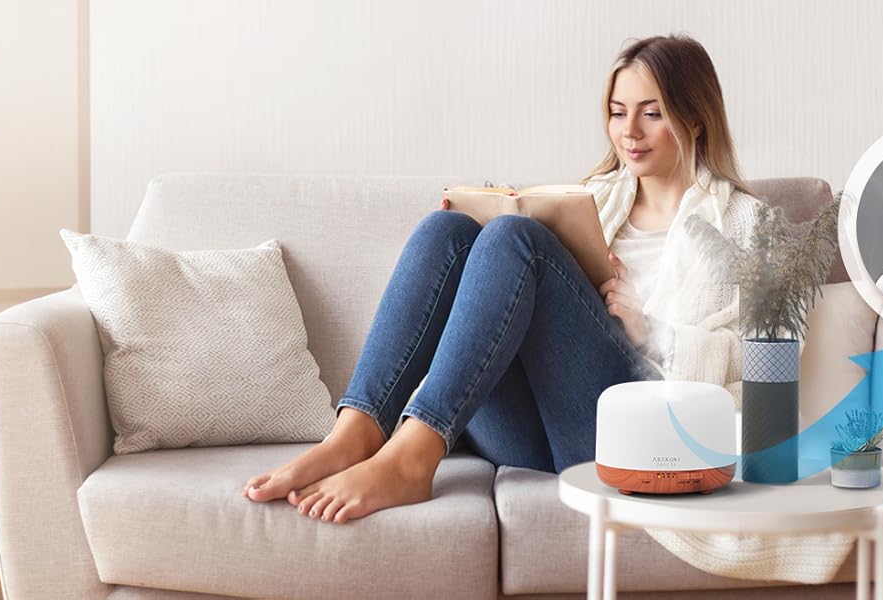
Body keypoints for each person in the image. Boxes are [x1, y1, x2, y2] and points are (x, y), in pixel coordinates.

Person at [242, 33, 764, 524]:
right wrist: (488, 230)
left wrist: (649, 329)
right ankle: (353, 435)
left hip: (629, 433)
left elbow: (766, 361)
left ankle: (409, 461)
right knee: (447, 230)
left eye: (652, 114)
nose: (629, 132)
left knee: (517, 239)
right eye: (617, 112)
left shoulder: (744, 222)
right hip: (531, 433)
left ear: (695, 119)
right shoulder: (594, 199)